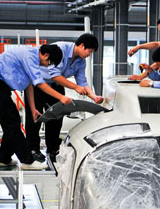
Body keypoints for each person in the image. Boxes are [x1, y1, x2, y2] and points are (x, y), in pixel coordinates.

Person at [0, 44, 72, 170]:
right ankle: (27, 161)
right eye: (49, 62)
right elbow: (39, 84)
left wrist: (33, 108)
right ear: (45, 55)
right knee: (12, 122)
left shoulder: (34, 59)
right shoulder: (30, 56)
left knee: (12, 123)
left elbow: (29, 86)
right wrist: (61, 97)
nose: (47, 66)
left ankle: (5, 159)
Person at [24, 34, 103, 163]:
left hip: (56, 87)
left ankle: (53, 149)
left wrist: (93, 96)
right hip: (38, 85)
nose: (89, 55)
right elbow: (55, 75)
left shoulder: (81, 62)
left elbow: (82, 81)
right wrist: (75, 87)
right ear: (82, 45)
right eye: (89, 51)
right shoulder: (60, 49)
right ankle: (33, 150)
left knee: (56, 117)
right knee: (34, 117)